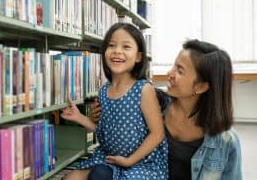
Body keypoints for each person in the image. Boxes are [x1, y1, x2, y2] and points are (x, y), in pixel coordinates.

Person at [90, 39, 242, 180]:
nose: (170, 73)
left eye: (180, 71)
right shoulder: (151, 102)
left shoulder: (225, 140)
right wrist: (99, 118)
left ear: (201, 86)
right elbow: (116, 138)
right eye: (174, 65)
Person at [60, 22, 168, 180]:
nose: (117, 51)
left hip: (142, 162)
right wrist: (80, 118)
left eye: (126, 47)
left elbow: (157, 134)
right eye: (111, 45)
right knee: (71, 177)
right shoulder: (104, 91)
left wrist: (129, 160)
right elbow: (104, 130)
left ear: (138, 56)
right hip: (110, 158)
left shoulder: (143, 89)